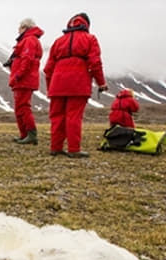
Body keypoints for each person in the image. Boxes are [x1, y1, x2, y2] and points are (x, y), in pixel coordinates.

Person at [44, 12, 108, 158]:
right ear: (86, 25)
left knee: (57, 117)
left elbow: (48, 69)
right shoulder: (90, 39)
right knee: (73, 116)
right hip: (78, 83)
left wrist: (50, 87)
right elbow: (95, 63)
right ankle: (74, 149)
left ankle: (56, 147)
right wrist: (101, 82)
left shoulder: (58, 41)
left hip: (57, 84)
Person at [7, 18, 44, 145]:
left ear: (25, 28)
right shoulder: (28, 40)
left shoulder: (29, 40)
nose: (18, 30)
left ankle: (31, 134)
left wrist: (18, 75)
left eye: (20, 27)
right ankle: (24, 134)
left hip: (24, 79)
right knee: (19, 108)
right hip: (22, 79)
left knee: (23, 107)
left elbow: (27, 60)